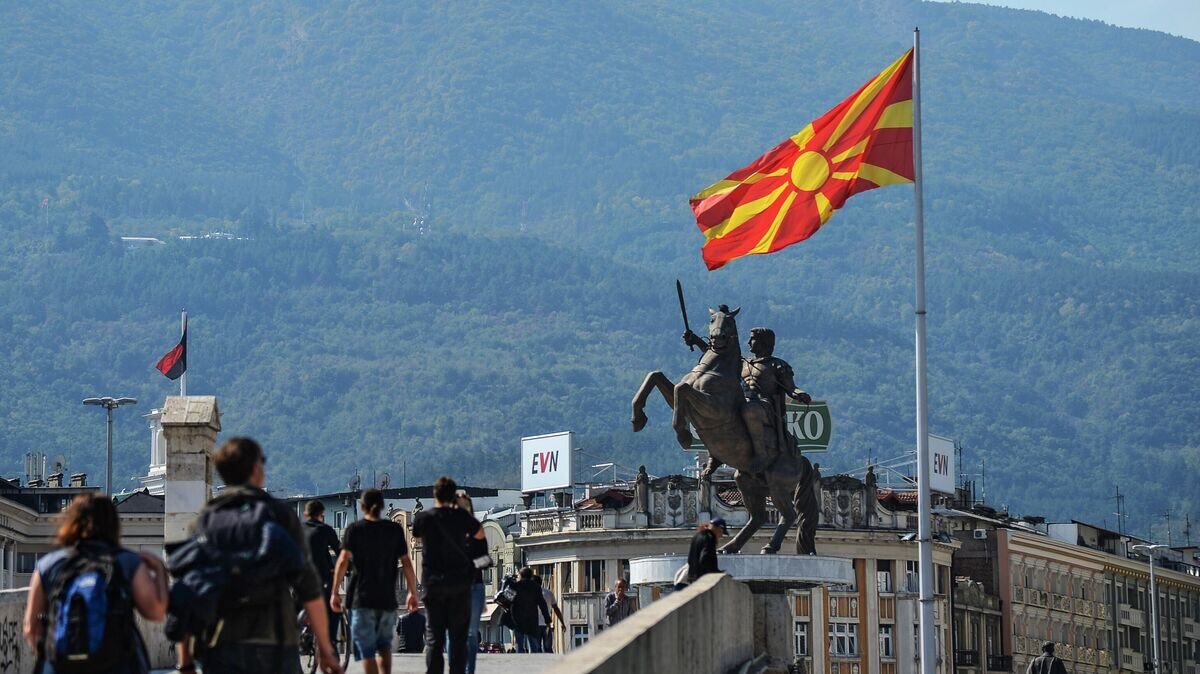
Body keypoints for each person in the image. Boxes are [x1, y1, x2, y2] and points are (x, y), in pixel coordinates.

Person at [175, 437, 341, 674]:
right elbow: (308, 586)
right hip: (276, 643)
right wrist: (325, 648)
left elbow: (188, 592)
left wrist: (185, 661)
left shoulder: (205, 521)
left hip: (221, 646)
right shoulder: (279, 515)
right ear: (256, 469)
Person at [23, 493, 168, 674]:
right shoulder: (126, 562)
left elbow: (30, 627)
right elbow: (156, 612)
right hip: (117, 664)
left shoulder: (49, 565)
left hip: (60, 665)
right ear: (113, 524)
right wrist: (160, 569)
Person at [331, 489, 418, 674]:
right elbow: (407, 563)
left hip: (361, 599)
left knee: (367, 650)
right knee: (384, 645)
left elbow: (342, 560)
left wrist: (334, 591)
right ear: (382, 506)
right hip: (387, 599)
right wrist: (413, 592)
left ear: (362, 507)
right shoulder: (394, 529)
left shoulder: (354, 530)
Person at [411, 477, 487, 674]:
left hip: (433, 584)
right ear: (453, 495)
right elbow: (479, 533)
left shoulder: (423, 518)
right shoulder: (462, 518)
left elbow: (416, 535)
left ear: (434, 494)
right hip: (459, 585)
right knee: (458, 637)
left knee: (434, 638)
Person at [447, 491, 487, 674]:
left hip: (473, 586)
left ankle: (469, 671)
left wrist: (470, 565)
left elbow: (485, 559)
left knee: (471, 633)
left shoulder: (477, 529)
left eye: (465, 505)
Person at [304, 500, 342, 646]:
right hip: (321, 578)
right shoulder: (325, 529)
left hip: (299, 578)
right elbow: (340, 552)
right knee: (333, 608)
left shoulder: (296, 529)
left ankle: (303, 634)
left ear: (306, 513)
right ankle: (330, 641)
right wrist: (349, 567)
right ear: (321, 514)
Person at [508, 567, 549, 653]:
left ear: (521, 575)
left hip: (518, 618)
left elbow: (508, 599)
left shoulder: (515, 586)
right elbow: (542, 604)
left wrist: (510, 581)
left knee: (519, 642)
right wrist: (547, 618)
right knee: (533, 642)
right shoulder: (536, 587)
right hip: (532, 618)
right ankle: (533, 660)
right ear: (531, 576)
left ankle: (520, 662)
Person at [687, 518, 728, 583]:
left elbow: (690, 559)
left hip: (693, 577)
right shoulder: (710, 538)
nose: (720, 536)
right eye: (721, 533)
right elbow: (705, 558)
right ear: (718, 529)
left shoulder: (697, 536)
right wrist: (715, 573)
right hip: (703, 579)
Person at [535, 575, 563, 653]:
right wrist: (562, 622)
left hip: (535, 625)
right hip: (547, 625)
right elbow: (556, 609)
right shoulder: (549, 593)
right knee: (548, 648)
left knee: (536, 649)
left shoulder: (530, 594)